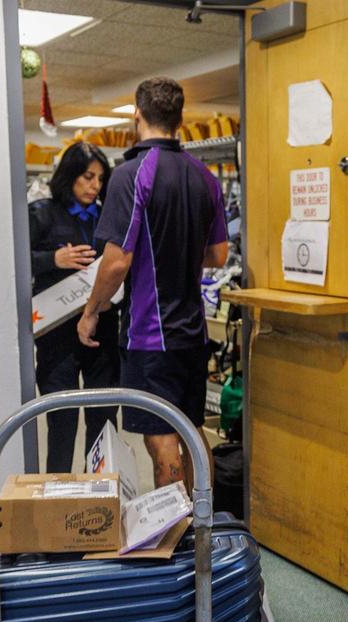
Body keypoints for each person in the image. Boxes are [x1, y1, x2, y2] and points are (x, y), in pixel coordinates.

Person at [78, 77, 228, 491]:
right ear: (179, 120)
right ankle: (203, 534)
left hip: (150, 335)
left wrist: (91, 311)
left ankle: (175, 543)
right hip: (192, 334)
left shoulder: (131, 175)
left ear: (137, 115)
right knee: (193, 434)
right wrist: (179, 253)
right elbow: (218, 256)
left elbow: (116, 262)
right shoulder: (205, 177)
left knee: (161, 440)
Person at [30, 142, 120, 473]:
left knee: (103, 420)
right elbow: (13, 263)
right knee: (62, 422)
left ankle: (98, 504)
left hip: (103, 331)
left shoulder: (110, 216)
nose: (94, 185)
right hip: (57, 338)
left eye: (100, 178)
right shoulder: (41, 213)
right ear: (69, 176)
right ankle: (58, 504)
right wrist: (53, 258)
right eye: (87, 176)